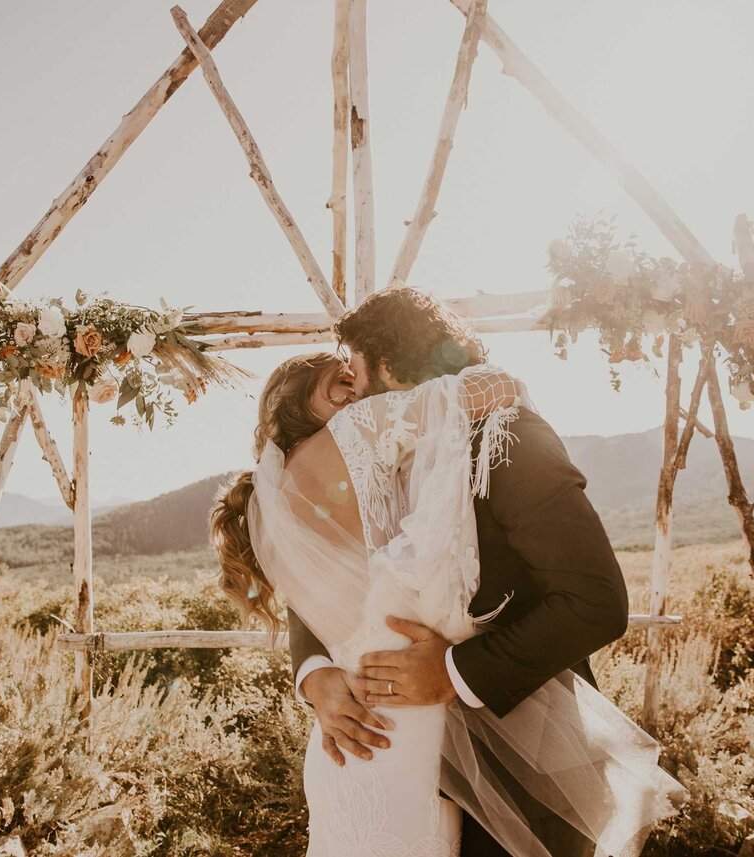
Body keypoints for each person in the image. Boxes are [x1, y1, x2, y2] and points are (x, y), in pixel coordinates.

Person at [210, 289, 684, 856]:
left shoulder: (507, 441)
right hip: (391, 759)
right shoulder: (378, 472)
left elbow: (595, 602)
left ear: (386, 365)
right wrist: (313, 673)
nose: (357, 393)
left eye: (355, 374)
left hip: (521, 766)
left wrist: (454, 672)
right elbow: (326, 576)